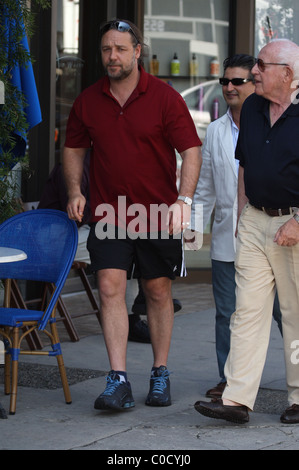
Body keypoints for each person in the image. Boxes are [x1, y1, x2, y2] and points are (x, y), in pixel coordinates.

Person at [63, 19, 202, 411]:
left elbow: (191, 150)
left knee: (157, 291)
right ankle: (118, 379)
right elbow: (73, 148)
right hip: (109, 211)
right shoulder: (88, 100)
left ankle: (160, 373)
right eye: (107, 49)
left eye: (121, 49)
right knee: (110, 288)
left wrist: (184, 201)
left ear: (137, 51)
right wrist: (75, 190)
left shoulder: (164, 97)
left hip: (157, 212)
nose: (113, 56)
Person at [194, 38, 299, 425]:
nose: (254, 71)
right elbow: (244, 163)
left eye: (262, 65)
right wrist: (243, 215)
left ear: (287, 75)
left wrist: (297, 223)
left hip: (295, 222)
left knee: (295, 315)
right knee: (246, 313)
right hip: (254, 219)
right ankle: (237, 399)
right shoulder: (254, 107)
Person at [186, 54, 282, 400]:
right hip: (229, 238)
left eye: (237, 81)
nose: (229, 87)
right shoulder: (215, 130)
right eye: (224, 81)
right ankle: (229, 380)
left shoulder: (276, 123)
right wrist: (194, 226)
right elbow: (207, 186)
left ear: (254, 85)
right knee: (227, 313)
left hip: (274, 238)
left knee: (285, 314)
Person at [38, 153, 151, 343]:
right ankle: (134, 316)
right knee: (121, 244)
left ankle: (140, 305)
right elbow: (77, 215)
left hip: (75, 233)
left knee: (126, 239)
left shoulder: (102, 166)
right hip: (54, 239)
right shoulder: (74, 168)